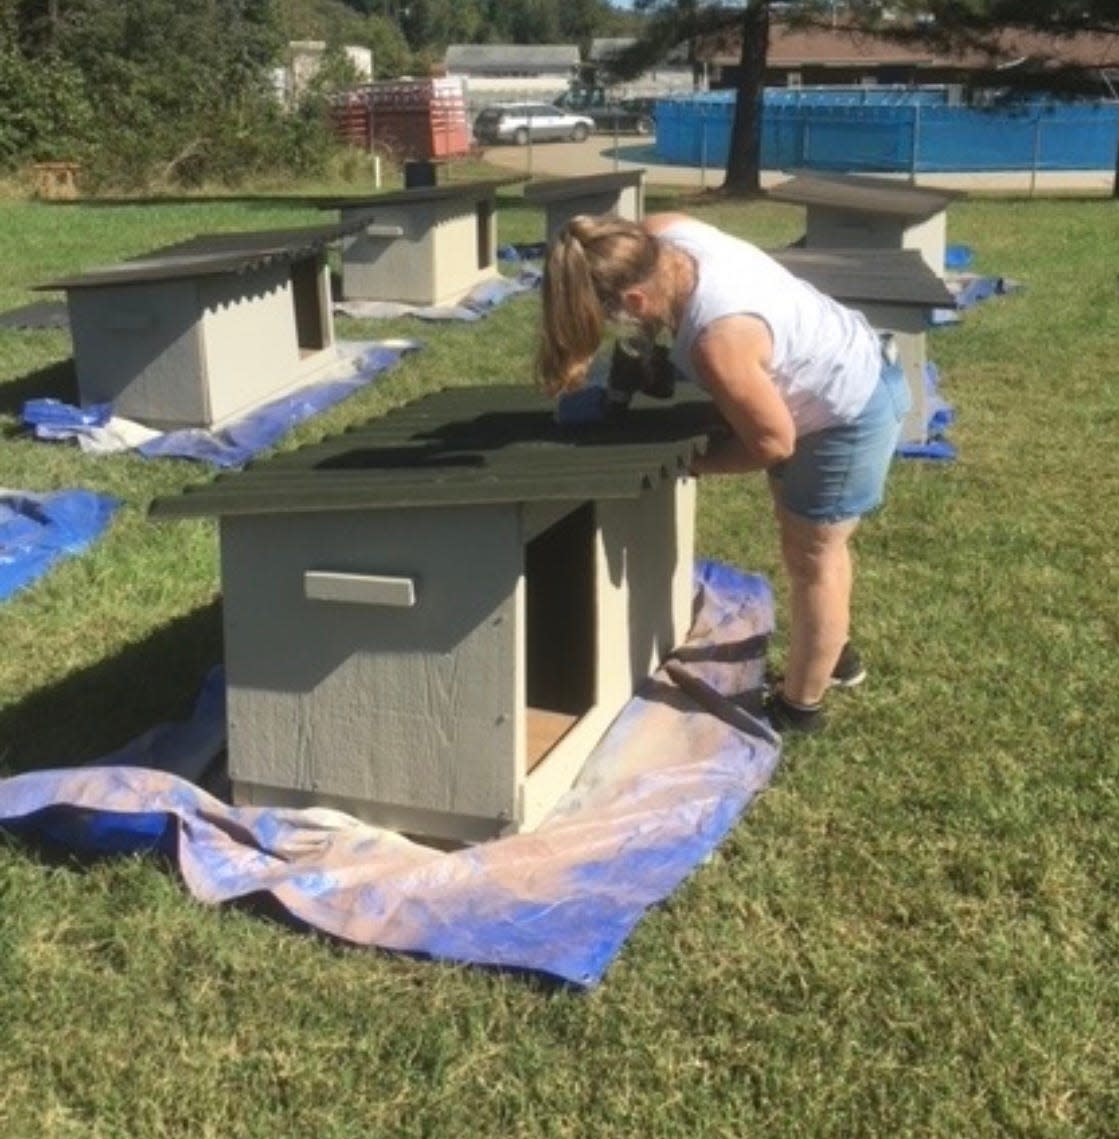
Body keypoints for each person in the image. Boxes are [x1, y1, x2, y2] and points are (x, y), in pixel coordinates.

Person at [536, 212, 910, 734]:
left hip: (848, 413)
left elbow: (773, 443)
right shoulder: (662, 231)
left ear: (636, 301)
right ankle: (830, 649)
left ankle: (801, 707)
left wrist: (698, 464)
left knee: (815, 558)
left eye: (612, 320)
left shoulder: (718, 342)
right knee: (802, 543)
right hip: (824, 377)